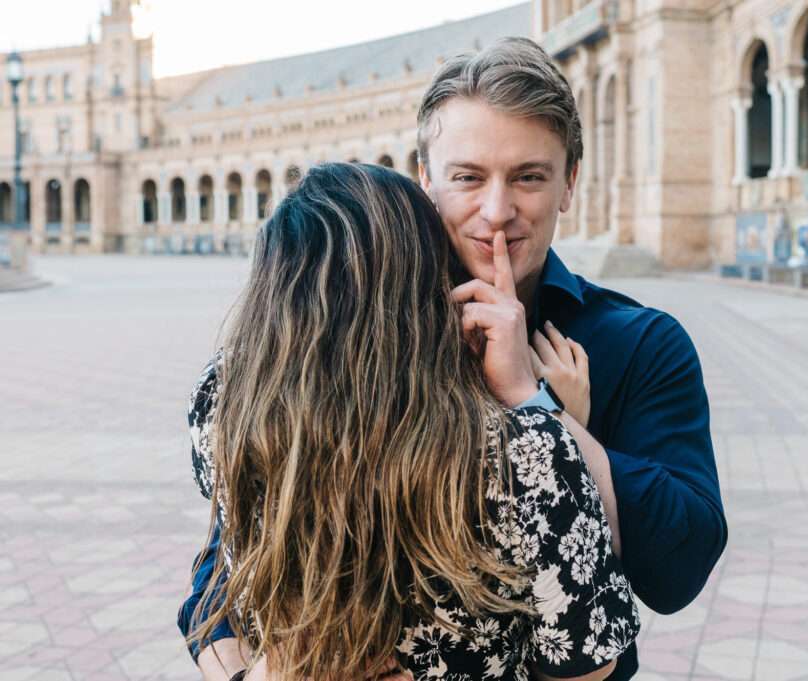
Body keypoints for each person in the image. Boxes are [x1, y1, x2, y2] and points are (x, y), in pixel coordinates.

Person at [180, 37, 727, 681]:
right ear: (426, 180)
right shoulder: (350, 335)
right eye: (468, 177)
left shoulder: (640, 343)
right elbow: (226, 568)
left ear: (569, 183)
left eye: (528, 176)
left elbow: (679, 570)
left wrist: (539, 409)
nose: (497, 212)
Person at [187, 161, 640, 681]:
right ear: (429, 281)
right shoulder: (527, 452)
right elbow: (587, 666)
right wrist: (549, 420)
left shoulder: (219, 400)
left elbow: (227, 551)